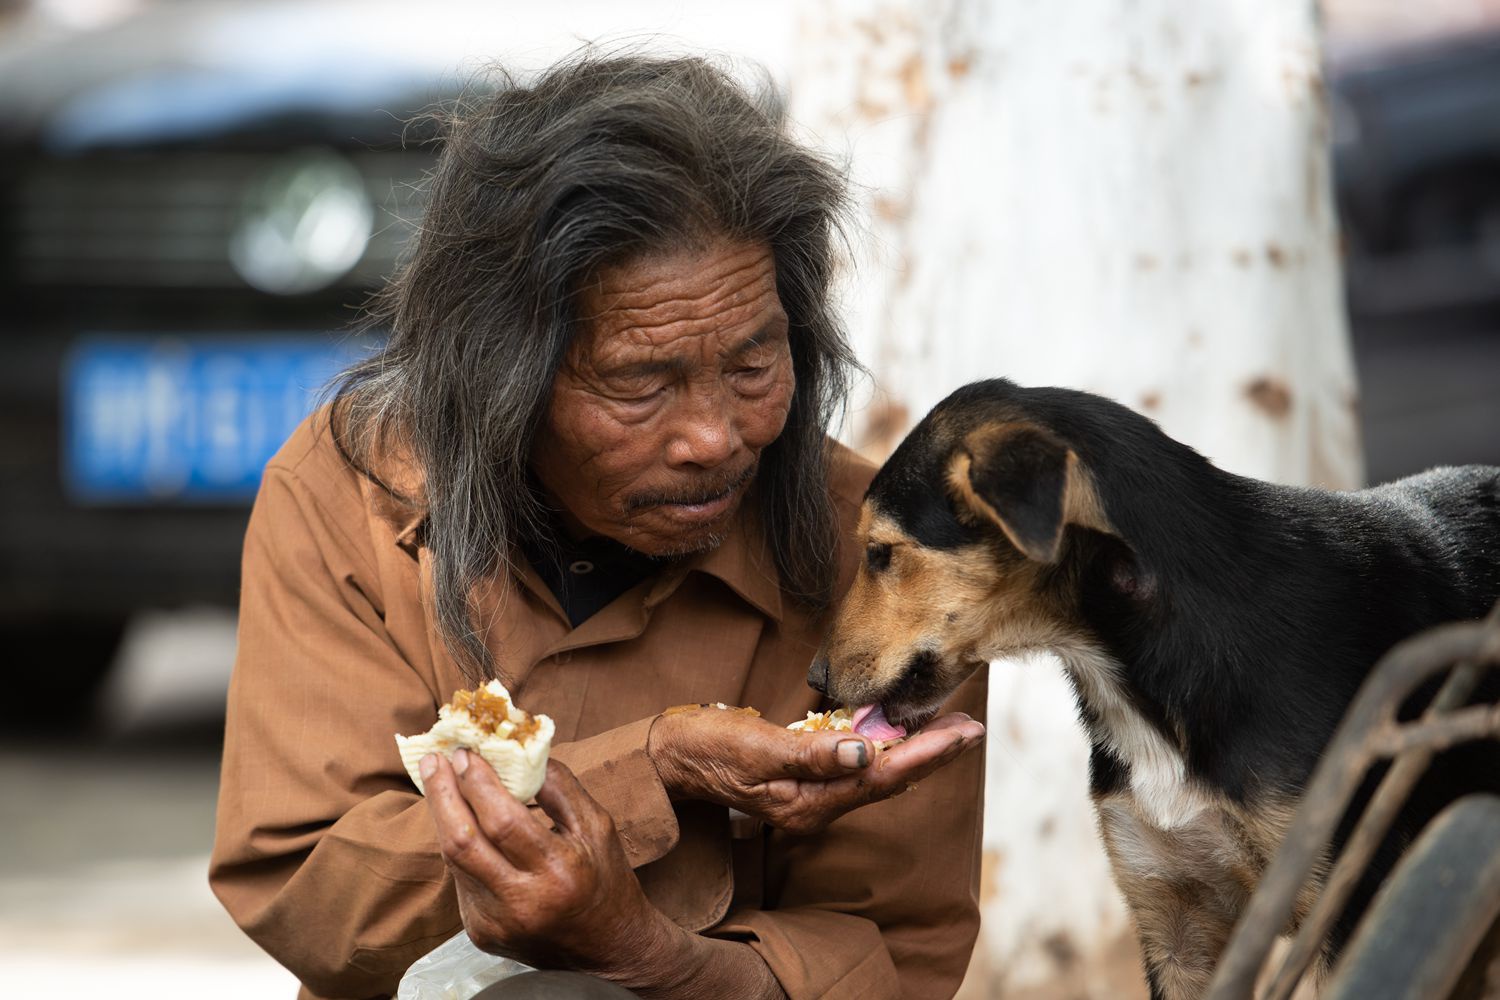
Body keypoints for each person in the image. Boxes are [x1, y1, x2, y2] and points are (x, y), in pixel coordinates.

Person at [209, 53, 988, 1000]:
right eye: (638, 382)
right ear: (501, 376)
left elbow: (901, 956)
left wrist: (647, 957)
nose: (713, 437)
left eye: (753, 366)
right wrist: (659, 763)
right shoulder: (355, 492)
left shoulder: (886, 564)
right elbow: (309, 895)